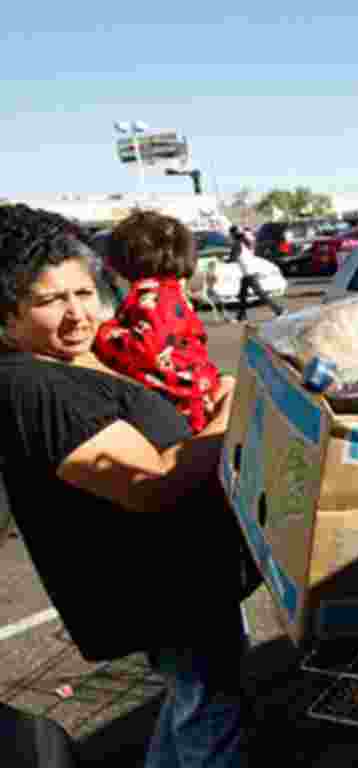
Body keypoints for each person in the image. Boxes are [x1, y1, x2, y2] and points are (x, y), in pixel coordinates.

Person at [0, 203, 250, 768]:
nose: (76, 315)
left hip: (182, 587)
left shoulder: (68, 363)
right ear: (6, 314)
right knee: (210, 710)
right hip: (166, 594)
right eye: (48, 301)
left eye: (83, 293)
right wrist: (233, 414)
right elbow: (153, 483)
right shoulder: (33, 386)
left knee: (194, 700)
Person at [92, 210, 225, 434]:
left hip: (179, 409)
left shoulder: (151, 297)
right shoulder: (169, 292)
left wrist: (102, 333)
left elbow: (148, 349)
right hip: (194, 398)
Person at [230, 225, 283, 322]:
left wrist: (223, 261)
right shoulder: (245, 242)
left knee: (261, 294)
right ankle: (241, 317)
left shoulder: (237, 244)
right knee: (242, 295)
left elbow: (232, 258)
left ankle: (279, 311)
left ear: (232, 235)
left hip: (249, 273)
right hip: (248, 273)